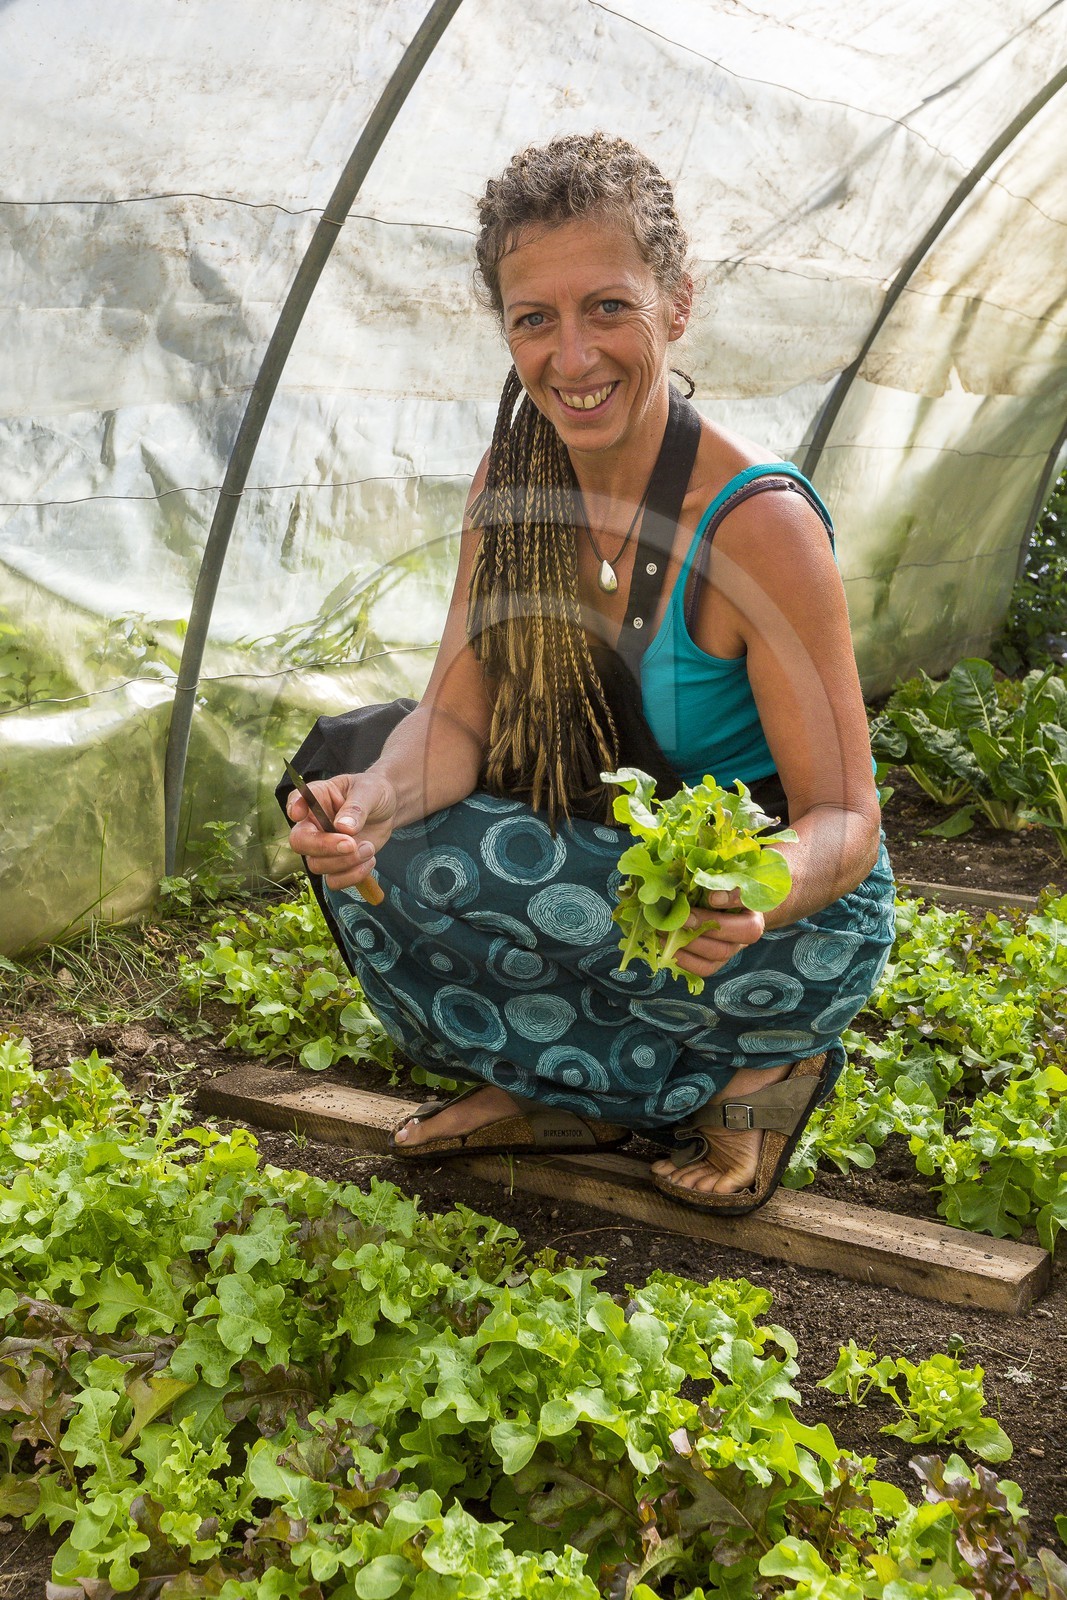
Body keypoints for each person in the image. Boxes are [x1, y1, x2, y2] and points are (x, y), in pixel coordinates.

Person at [285, 132, 895, 1216]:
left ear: (676, 304)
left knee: (563, 887)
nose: (571, 357)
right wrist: (367, 801)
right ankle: (562, 1084)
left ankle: (762, 1068)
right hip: (597, 862)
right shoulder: (511, 487)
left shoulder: (757, 526)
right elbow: (454, 722)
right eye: (535, 319)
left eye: (607, 307)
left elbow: (844, 818)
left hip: (774, 923)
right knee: (375, 823)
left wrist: (751, 891)